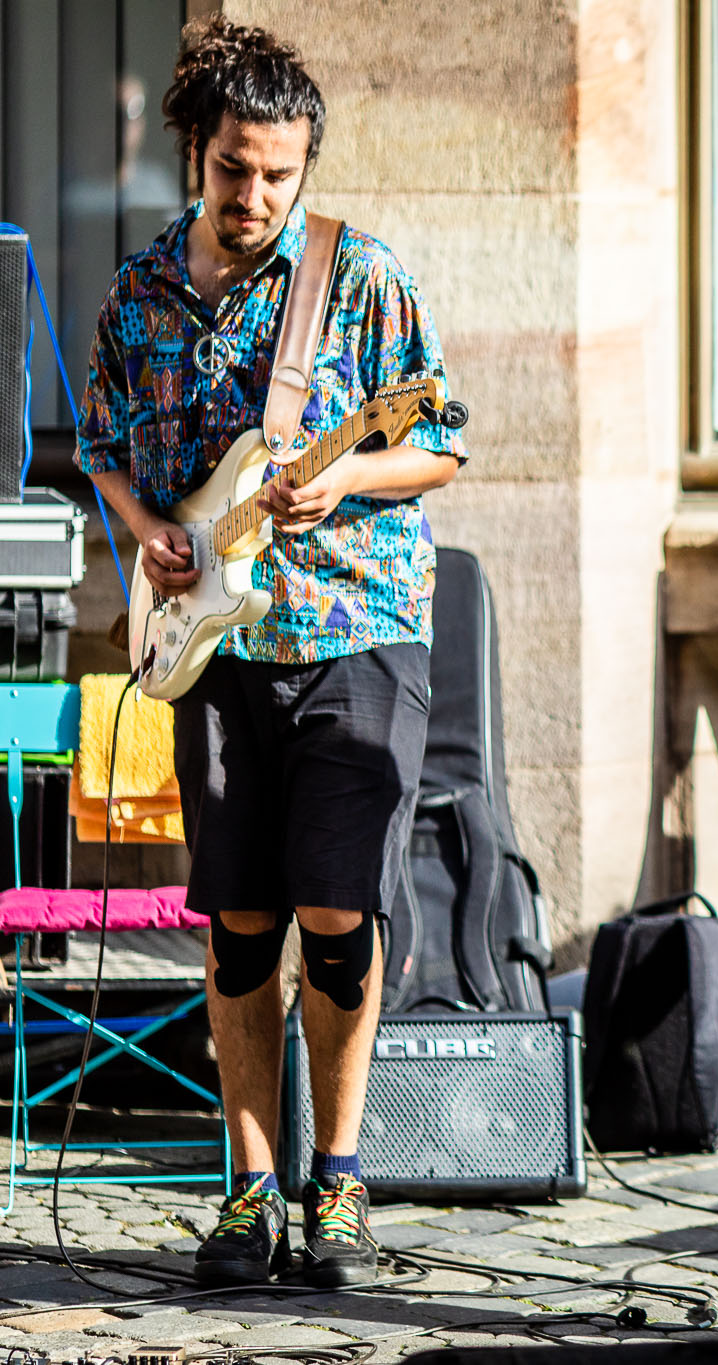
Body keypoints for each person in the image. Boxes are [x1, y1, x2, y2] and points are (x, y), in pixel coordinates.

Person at [75, 18, 464, 1286]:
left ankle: (338, 1180)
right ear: (198, 151)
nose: (255, 197)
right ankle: (248, 1188)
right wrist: (148, 538)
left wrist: (346, 473)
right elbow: (104, 457)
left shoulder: (363, 278)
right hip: (210, 646)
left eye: (279, 175)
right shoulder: (136, 295)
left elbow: (445, 442)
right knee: (239, 918)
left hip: (357, 621)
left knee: (339, 912)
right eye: (235, 169)